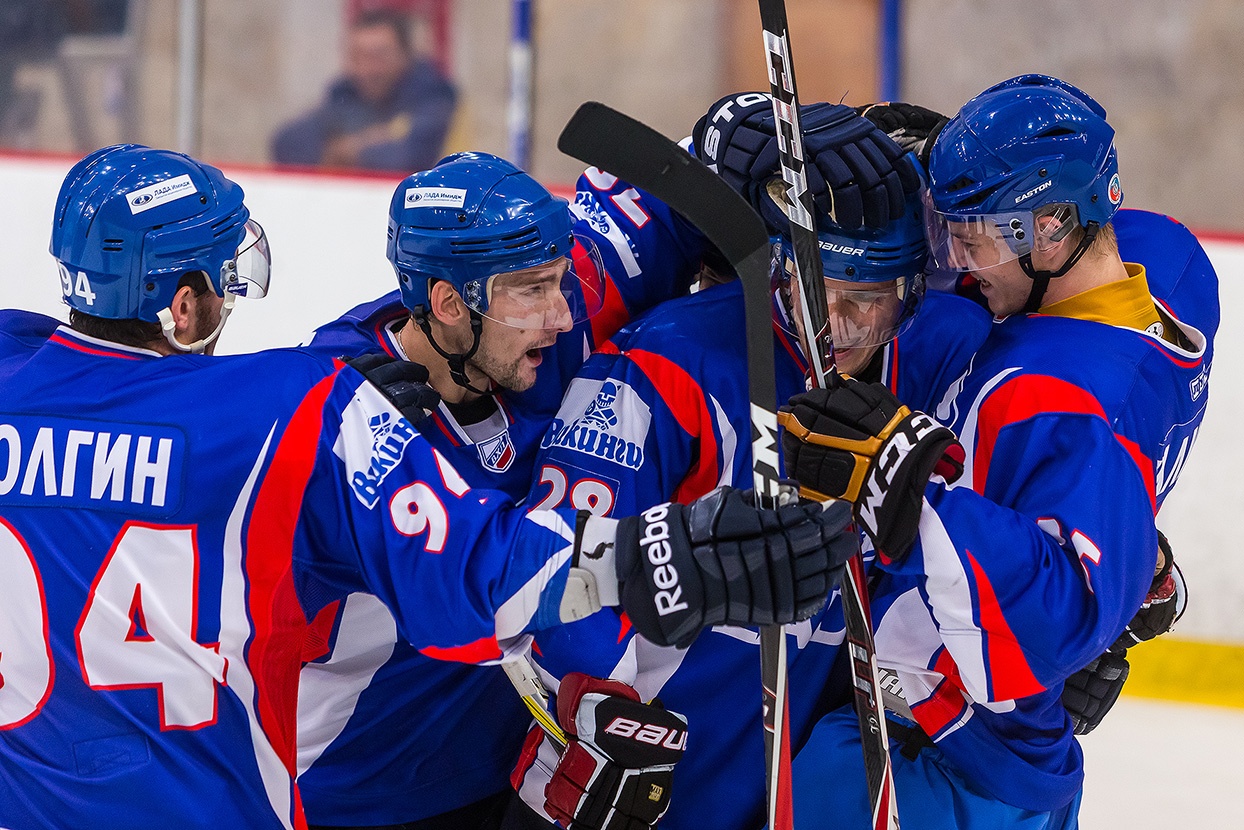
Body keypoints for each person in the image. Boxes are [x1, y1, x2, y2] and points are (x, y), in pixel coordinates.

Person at [0, 142, 859, 829]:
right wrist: (664, 559)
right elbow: (485, 582)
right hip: (284, 793)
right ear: (179, 307)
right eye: (223, 280)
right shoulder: (292, 406)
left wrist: (717, 152)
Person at [291, 139, 915, 830]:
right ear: (446, 303)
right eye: (534, 292)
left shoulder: (532, 322)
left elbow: (673, 199)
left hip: (492, 763)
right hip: (357, 790)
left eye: (557, 280)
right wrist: (327, 396)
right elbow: (461, 603)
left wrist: (753, 145)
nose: (564, 316)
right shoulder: (333, 420)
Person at [778, 75, 1216, 829]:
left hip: (938, 759)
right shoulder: (1176, 273)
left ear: (1049, 228)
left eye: (973, 238)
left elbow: (1059, 611)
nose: (959, 259)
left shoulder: (1051, 398)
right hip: (1016, 766)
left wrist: (907, 490)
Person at [271, 9, 456, 172]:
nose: (367, 69)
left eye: (379, 56)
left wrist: (351, 148)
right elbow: (288, 143)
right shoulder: (345, 94)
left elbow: (410, 159)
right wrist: (371, 140)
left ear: (405, 55)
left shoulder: (434, 94)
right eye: (357, 56)